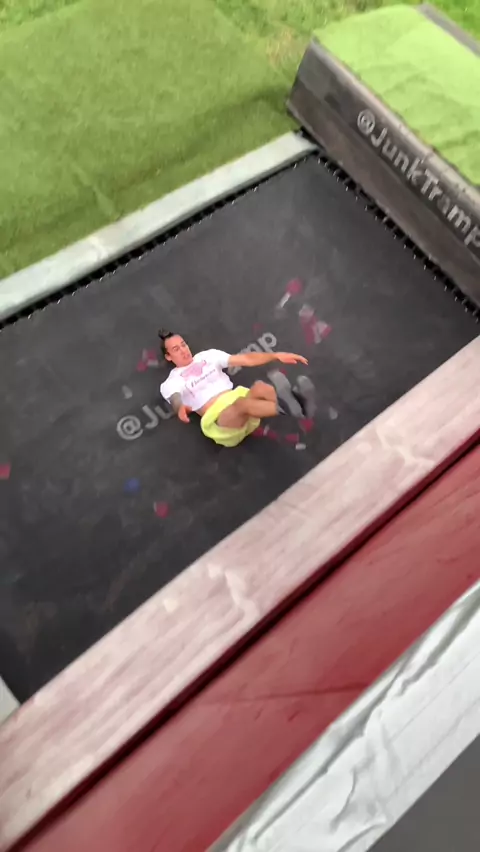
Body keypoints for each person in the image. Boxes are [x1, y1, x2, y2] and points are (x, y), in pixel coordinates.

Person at [159, 330, 314, 448]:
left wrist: (276, 355)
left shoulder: (208, 356)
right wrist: (180, 408)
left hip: (238, 402)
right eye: (176, 349)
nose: (183, 350)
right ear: (168, 356)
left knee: (259, 387)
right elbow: (175, 397)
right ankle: (289, 405)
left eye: (183, 345)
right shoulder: (172, 381)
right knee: (241, 403)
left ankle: (299, 401)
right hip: (220, 423)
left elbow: (246, 359)